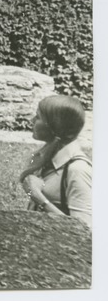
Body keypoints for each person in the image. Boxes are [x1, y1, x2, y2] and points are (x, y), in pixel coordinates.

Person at [19, 95, 92, 229]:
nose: (32, 120)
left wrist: (39, 198)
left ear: (54, 126)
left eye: (38, 117)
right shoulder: (49, 156)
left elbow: (84, 230)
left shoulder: (77, 170)